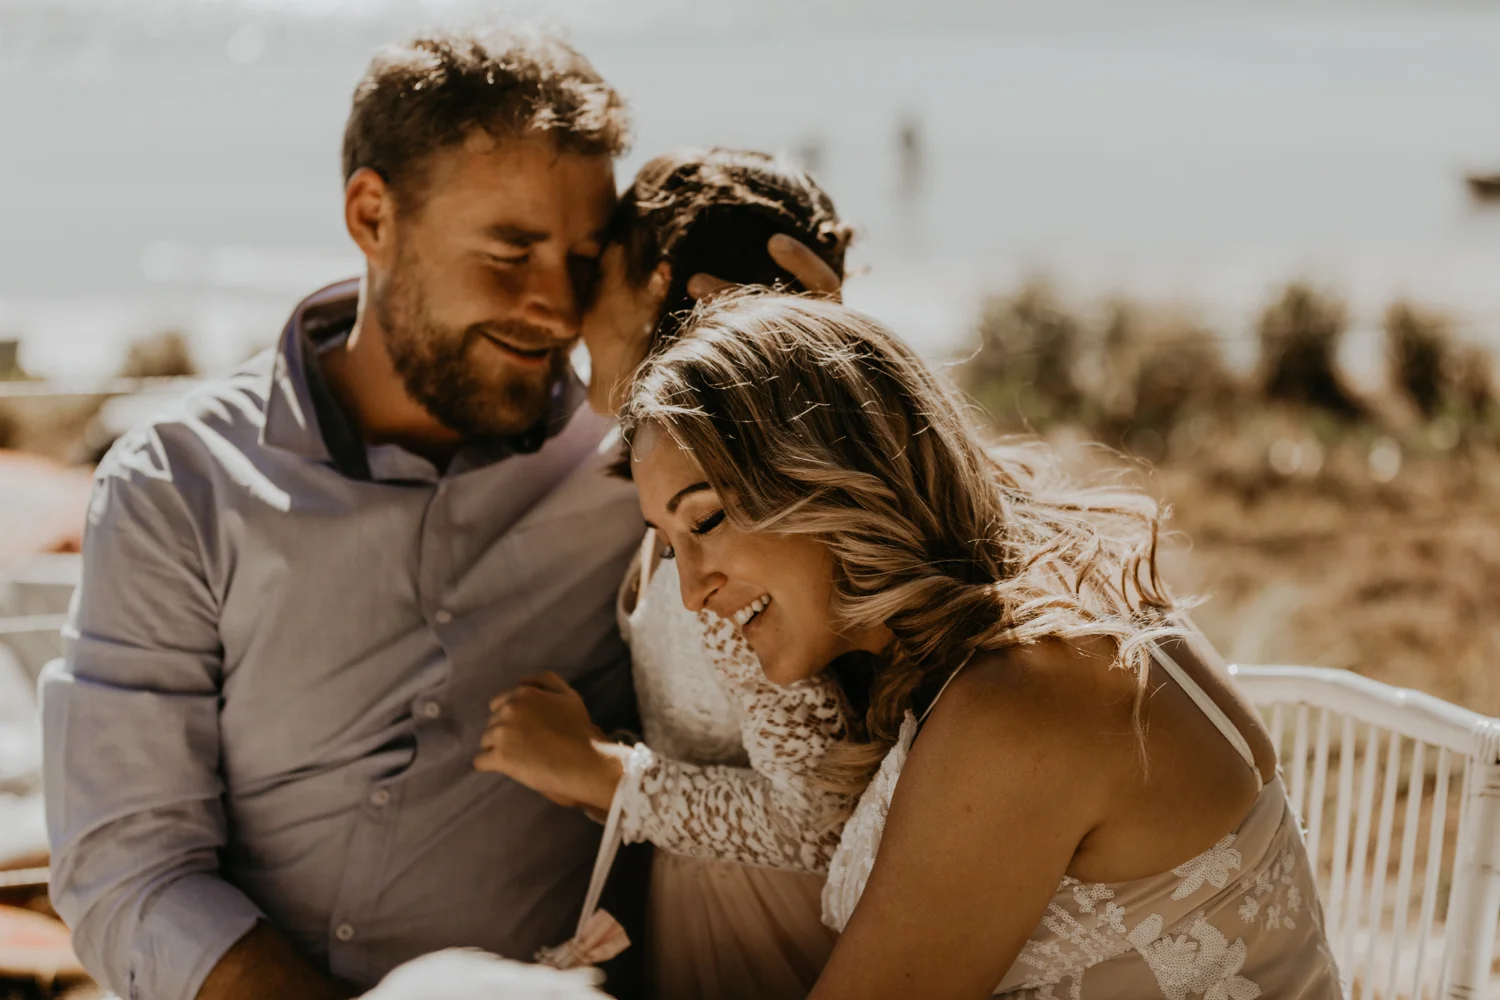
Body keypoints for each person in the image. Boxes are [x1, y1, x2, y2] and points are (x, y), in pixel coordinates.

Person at [41, 28, 650, 1000]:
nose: (556, 307)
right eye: (509, 251)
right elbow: (131, 869)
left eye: (581, 259)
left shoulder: (641, 474)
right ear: (373, 215)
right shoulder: (179, 483)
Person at [615, 290, 1344, 999]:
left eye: (705, 523)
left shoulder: (1024, 696)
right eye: (672, 548)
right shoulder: (1002, 614)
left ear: (825, 474)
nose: (693, 592)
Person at [474, 149, 858, 1000]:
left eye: (595, 270)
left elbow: (822, 820)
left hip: (769, 933)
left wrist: (598, 771)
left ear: (667, 287)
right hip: (709, 904)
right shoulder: (697, 493)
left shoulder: (736, 541)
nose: (573, 313)